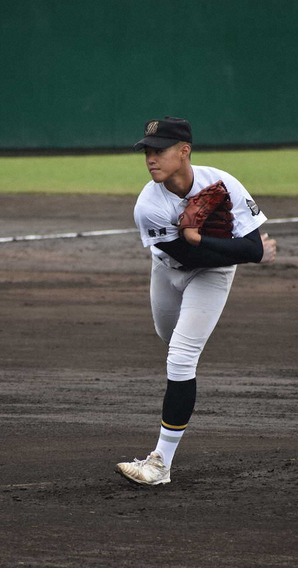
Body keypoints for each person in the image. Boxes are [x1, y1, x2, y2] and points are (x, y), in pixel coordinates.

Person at [115, 117, 276, 486]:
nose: (150, 159)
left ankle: (160, 464)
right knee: (168, 338)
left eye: (159, 150)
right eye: (147, 152)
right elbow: (190, 256)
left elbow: (251, 248)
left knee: (181, 357)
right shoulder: (148, 206)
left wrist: (202, 239)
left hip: (214, 275)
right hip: (168, 272)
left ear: (184, 151)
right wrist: (210, 245)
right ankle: (182, 391)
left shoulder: (224, 183)